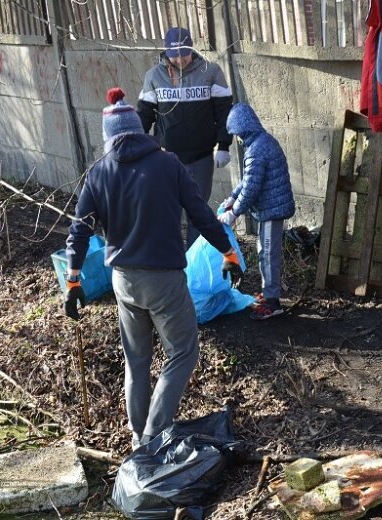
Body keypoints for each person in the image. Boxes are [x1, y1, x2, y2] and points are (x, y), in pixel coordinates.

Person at [64, 87, 243, 449]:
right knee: (182, 352)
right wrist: (229, 252)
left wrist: (72, 279)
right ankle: (153, 434)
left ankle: (135, 435)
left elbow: (79, 231)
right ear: (140, 130)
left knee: (137, 360)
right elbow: (201, 214)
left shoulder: (98, 173)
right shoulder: (168, 164)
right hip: (163, 280)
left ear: (109, 137)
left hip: (124, 282)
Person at [137, 26, 234, 249]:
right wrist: (137, 148)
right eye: (174, 55)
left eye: (184, 54)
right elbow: (144, 115)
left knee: (197, 212)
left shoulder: (211, 72)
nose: (180, 60)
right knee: (167, 211)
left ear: (192, 49)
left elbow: (225, 112)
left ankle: (193, 262)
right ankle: (170, 261)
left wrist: (224, 145)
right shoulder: (154, 76)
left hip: (201, 158)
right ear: (166, 53)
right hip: (165, 158)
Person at [218, 103, 295, 320]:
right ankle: (269, 294)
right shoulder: (260, 143)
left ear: (244, 129)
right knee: (264, 252)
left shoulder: (257, 149)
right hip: (270, 208)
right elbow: (247, 180)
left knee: (268, 254)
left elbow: (251, 187)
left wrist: (234, 213)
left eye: (237, 134)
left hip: (272, 209)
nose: (237, 139)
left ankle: (273, 303)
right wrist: (233, 197)